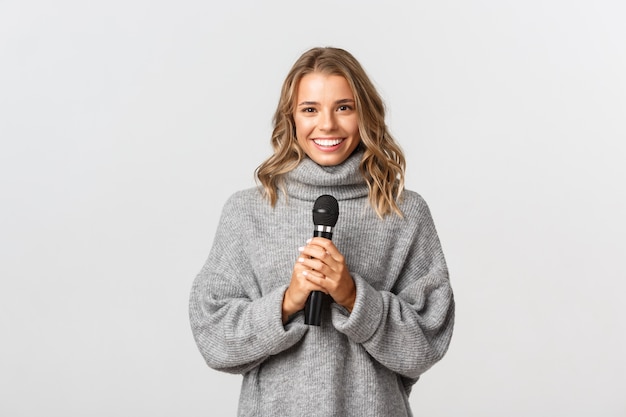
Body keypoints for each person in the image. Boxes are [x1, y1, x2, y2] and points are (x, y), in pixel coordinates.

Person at [189, 46, 454, 417]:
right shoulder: (248, 210)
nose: (327, 124)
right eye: (310, 109)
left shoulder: (404, 212)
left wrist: (352, 295)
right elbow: (213, 337)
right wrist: (288, 302)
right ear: (291, 118)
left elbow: (428, 341)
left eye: (343, 107)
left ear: (365, 114)